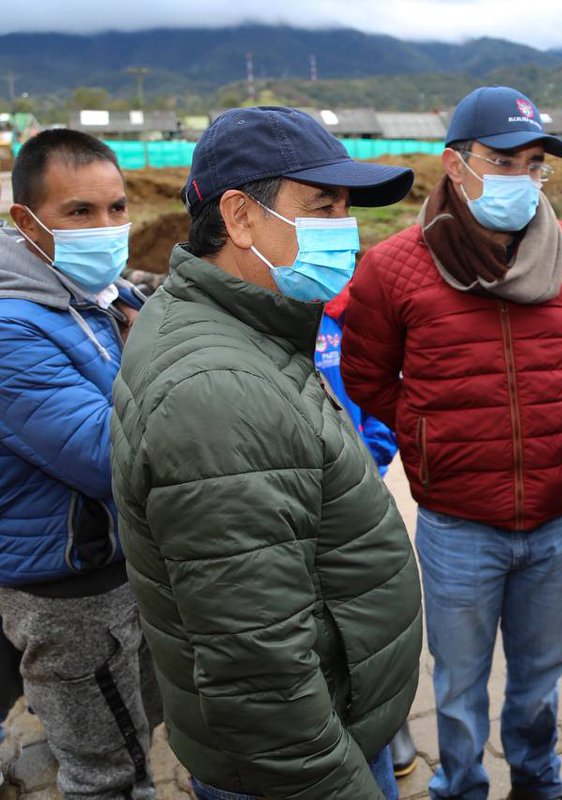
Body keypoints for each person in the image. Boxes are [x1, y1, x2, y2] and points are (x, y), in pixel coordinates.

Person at [108, 106, 422, 799]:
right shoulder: (217, 392)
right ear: (241, 217)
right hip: (302, 766)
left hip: (324, 727)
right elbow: (261, 677)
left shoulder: (236, 325)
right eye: (322, 207)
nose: (345, 230)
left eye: (345, 209)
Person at [341, 85, 562, 800]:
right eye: (503, 160)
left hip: (553, 518)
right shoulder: (395, 266)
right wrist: (431, 430)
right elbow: (366, 375)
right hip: (458, 524)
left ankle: (538, 777)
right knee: (458, 682)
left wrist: (541, 424)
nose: (521, 178)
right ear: (455, 164)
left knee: (542, 677)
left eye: (534, 164)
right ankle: (460, 785)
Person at [0, 129, 160, 800]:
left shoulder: (104, 298)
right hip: (70, 589)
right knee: (108, 773)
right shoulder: (13, 328)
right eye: (79, 213)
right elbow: (109, 456)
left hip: (117, 562)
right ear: (26, 222)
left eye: (117, 208)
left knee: (129, 726)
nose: (106, 227)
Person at [315, 286, 418, 780]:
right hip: (286, 507)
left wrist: (368, 464)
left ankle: (387, 716)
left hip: (358, 495)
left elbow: (379, 391)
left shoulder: (348, 313)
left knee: (370, 606)